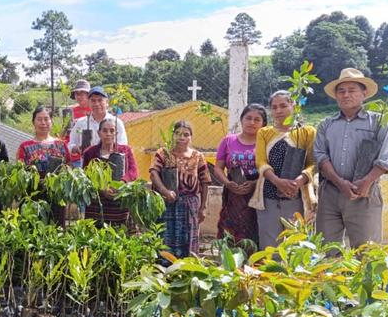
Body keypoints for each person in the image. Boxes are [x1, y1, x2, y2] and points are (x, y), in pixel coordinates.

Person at [314, 68, 388, 247]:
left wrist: (366, 182)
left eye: (352, 90)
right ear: (336, 95)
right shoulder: (326, 124)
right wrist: (339, 182)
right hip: (330, 194)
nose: (346, 95)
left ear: (364, 93)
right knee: (327, 251)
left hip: (364, 193)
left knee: (367, 251)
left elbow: (387, 157)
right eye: (341, 91)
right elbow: (320, 156)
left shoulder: (379, 121)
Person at [249, 91, 316, 249]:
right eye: (274, 107)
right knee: (270, 244)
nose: (278, 111)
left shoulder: (307, 132)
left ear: (294, 106)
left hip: (297, 196)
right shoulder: (264, 133)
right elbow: (260, 161)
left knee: (298, 244)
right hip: (269, 195)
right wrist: (277, 181)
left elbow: (313, 163)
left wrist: (300, 181)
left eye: (283, 106)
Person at [149, 121, 210, 258]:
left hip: (190, 204)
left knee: (189, 238)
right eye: (178, 133)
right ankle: (164, 273)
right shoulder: (163, 154)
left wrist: (203, 207)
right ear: (173, 135)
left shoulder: (198, 156)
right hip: (166, 202)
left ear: (191, 137)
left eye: (186, 134)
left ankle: (186, 272)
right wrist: (164, 191)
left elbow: (205, 181)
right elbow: (153, 173)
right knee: (164, 238)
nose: (181, 137)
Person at [214, 104, 266, 245]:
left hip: (257, 194)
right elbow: (218, 167)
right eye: (248, 118)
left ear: (263, 124)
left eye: (257, 119)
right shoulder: (228, 141)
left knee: (255, 231)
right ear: (241, 120)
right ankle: (231, 263)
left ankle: (252, 265)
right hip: (233, 194)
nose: (252, 122)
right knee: (230, 230)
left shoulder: (266, 144)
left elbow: (271, 170)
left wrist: (254, 184)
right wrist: (228, 183)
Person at [82, 118, 139, 226]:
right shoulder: (90, 152)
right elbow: (86, 175)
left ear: (116, 133)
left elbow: (133, 171)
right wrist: (102, 189)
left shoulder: (125, 150)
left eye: (112, 131)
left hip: (120, 199)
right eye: (105, 131)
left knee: (119, 234)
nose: (108, 134)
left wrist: (121, 183)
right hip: (97, 202)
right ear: (99, 133)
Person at [68, 86, 128, 160]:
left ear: (107, 102)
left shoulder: (116, 123)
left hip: (111, 165)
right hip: (87, 165)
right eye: (93, 100)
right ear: (89, 102)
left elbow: (123, 146)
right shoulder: (81, 123)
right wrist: (75, 148)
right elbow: (71, 143)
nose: (96, 104)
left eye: (100, 100)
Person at [17, 106, 70, 175]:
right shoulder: (25, 147)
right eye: (39, 119)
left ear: (51, 121)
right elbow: (20, 171)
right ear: (33, 122)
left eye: (46, 119)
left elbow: (69, 167)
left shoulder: (61, 145)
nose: (43, 123)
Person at [66, 79, 91, 167]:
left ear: (88, 94)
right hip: (74, 155)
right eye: (77, 94)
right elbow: (67, 133)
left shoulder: (95, 110)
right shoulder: (71, 111)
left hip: (91, 156)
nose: (79, 96)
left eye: (82, 93)